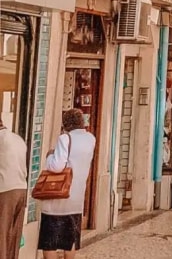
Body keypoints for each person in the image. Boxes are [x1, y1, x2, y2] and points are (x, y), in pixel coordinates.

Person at [38, 108, 97, 259]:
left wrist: (50, 155)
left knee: (49, 240)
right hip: (76, 198)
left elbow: (57, 166)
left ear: (66, 123)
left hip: (58, 198)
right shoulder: (90, 139)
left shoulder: (65, 138)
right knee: (70, 239)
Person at [0, 116, 28, 259]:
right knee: (14, 235)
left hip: (5, 189)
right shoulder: (17, 139)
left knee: (2, 234)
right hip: (21, 188)